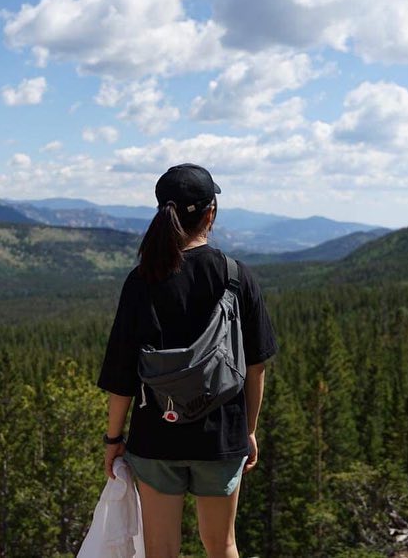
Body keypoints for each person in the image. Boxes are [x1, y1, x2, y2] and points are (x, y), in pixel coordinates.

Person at [97, 164, 278, 558]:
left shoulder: (141, 280)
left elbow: (121, 374)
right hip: (221, 434)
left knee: (160, 550)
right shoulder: (236, 276)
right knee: (222, 544)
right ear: (210, 213)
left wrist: (114, 439)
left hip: (156, 433)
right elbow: (256, 365)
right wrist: (247, 429)